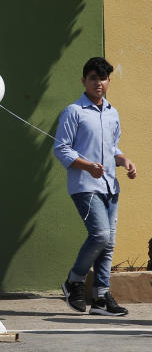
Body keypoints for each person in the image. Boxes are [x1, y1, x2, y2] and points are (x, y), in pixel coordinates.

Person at [54, 56, 136, 316]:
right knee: (100, 235)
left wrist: (123, 160)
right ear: (84, 81)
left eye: (102, 78)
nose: (98, 83)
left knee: (108, 243)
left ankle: (101, 298)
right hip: (85, 185)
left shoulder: (113, 113)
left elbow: (112, 148)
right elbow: (61, 148)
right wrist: (86, 165)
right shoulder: (73, 111)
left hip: (111, 186)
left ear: (109, 81)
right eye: (93, 78)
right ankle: (74, 280)